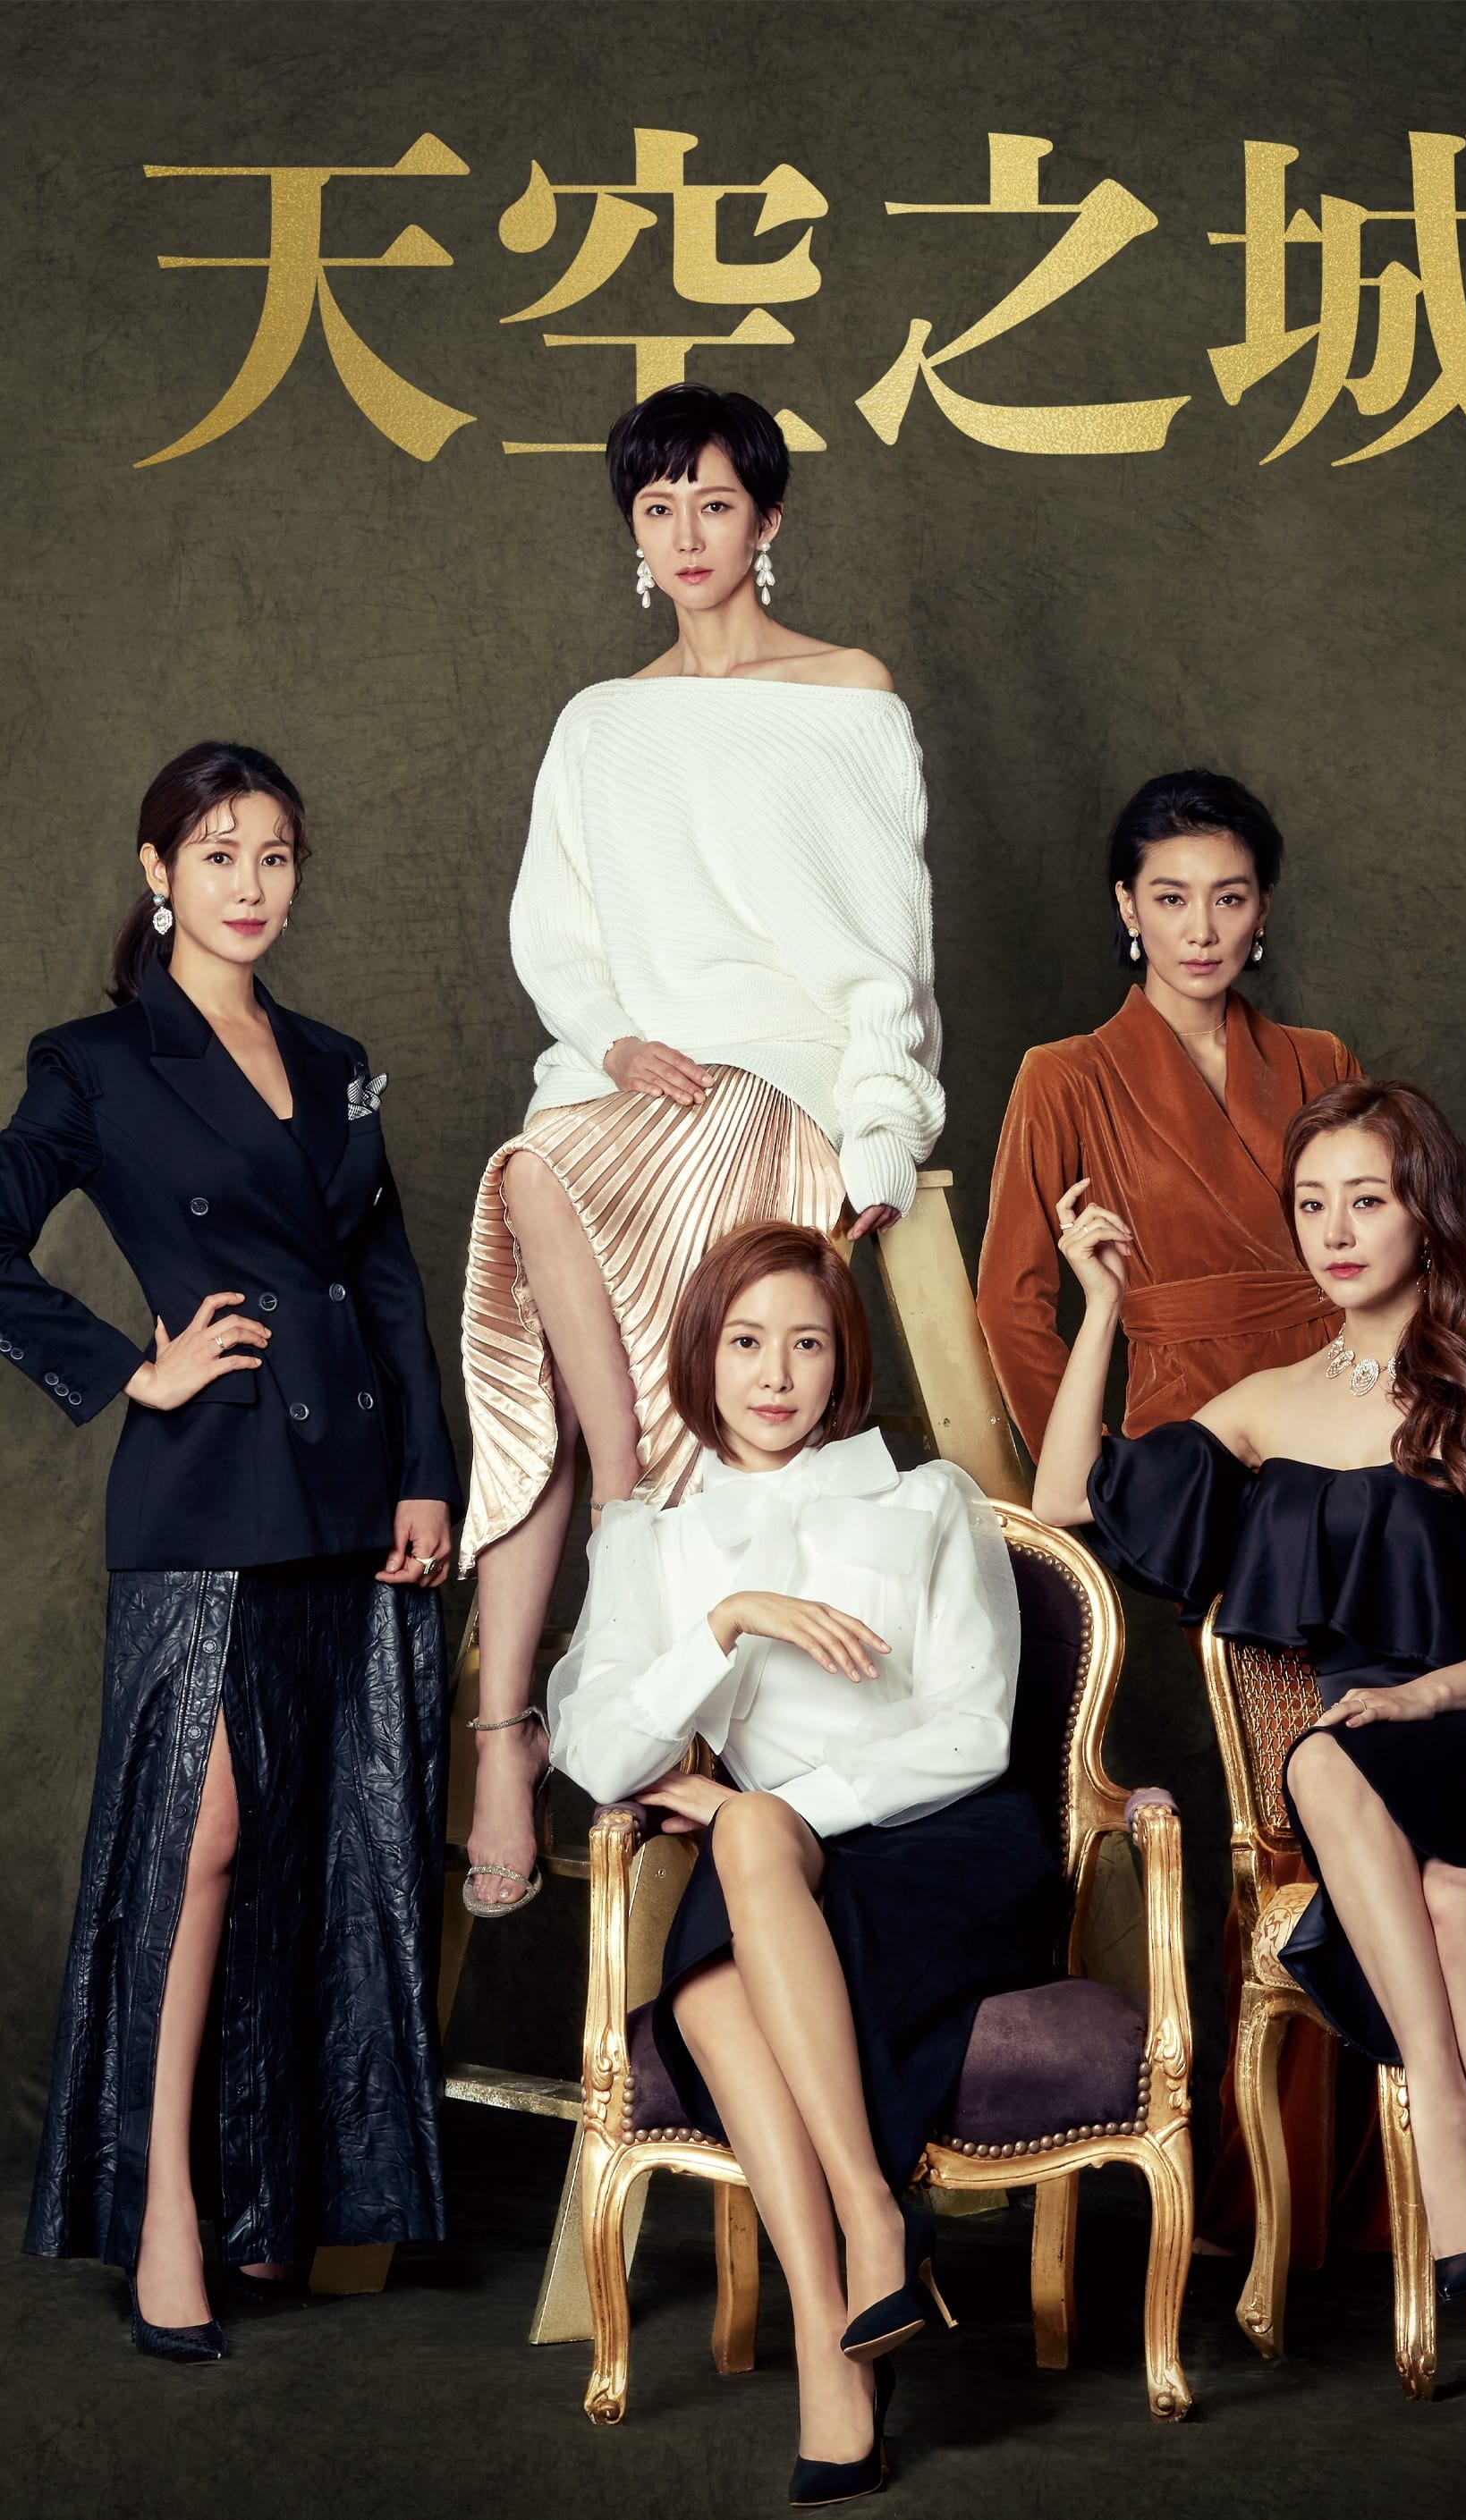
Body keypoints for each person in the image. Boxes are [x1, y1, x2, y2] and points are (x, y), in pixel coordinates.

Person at [1033, 1078, 1466, 2438]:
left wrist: (1424, 1695)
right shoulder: (1268, 1404)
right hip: (1373, 1782)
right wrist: (1101, 1303)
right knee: (1452, 1902)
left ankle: (1445, 2118)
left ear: (1426, 1214)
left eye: (1366, 1200)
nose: (1333, 1230)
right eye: (1312, 1202)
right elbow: (1061, 1497)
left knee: (1329, 1754)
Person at [460, 384, 943, 1922]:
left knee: (583, 1263)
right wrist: (613, 1044)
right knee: (531, 1171)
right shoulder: (599, 724)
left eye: (714, 505)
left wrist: (879, 1128)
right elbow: (559, 938)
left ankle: (612, 1592)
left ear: (768, 520)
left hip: (779, 1094)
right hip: (633, 1083)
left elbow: (888, 960)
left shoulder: (848, 697)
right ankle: (515, 1715)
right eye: (657, 509)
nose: (685, 535)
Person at [6, 742, 462, 2360]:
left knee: (315, 1839)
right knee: (197, 1842)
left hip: (354, 1492)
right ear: (158, 872)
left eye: (275, 854)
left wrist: (427, 1477)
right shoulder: (94, 1060)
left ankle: (277, 2193)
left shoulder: (335, 1058)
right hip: (208, 1488)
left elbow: (386, 1277)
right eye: (217, 852)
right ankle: (164, 2212)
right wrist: (127, 1364)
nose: (251, 883)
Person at [548, 1222, 1057, 2501]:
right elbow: (598, 1751)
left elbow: (977, 1732)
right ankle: (847, 2302)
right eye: (746, 1341)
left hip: (947, 1843)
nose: (774, 1374)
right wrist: (727, 1623)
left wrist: (768, 1810)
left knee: (745, 1850)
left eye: (808, 1344)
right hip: (778, 1872)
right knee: (719, 1958)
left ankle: (867, 2235)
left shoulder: (926, 1499)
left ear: (845, 1362)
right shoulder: (652, 1542)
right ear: (703, 1354)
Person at [977, 767, 1361, 2260]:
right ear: (1126, 911)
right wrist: (1100, 1479)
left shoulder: (1319, 1059)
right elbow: (1011, 1303)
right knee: (1224, 1811)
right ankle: (1208, 2177)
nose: (1202, 926)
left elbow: (1381, 1249)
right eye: (1172, 896)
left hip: (1335, 1446)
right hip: (1172, 1485)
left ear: (1263, 914)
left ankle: (1329, 2185)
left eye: (1231, 896)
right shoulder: (1064, 1073)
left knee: (1358, 1780)